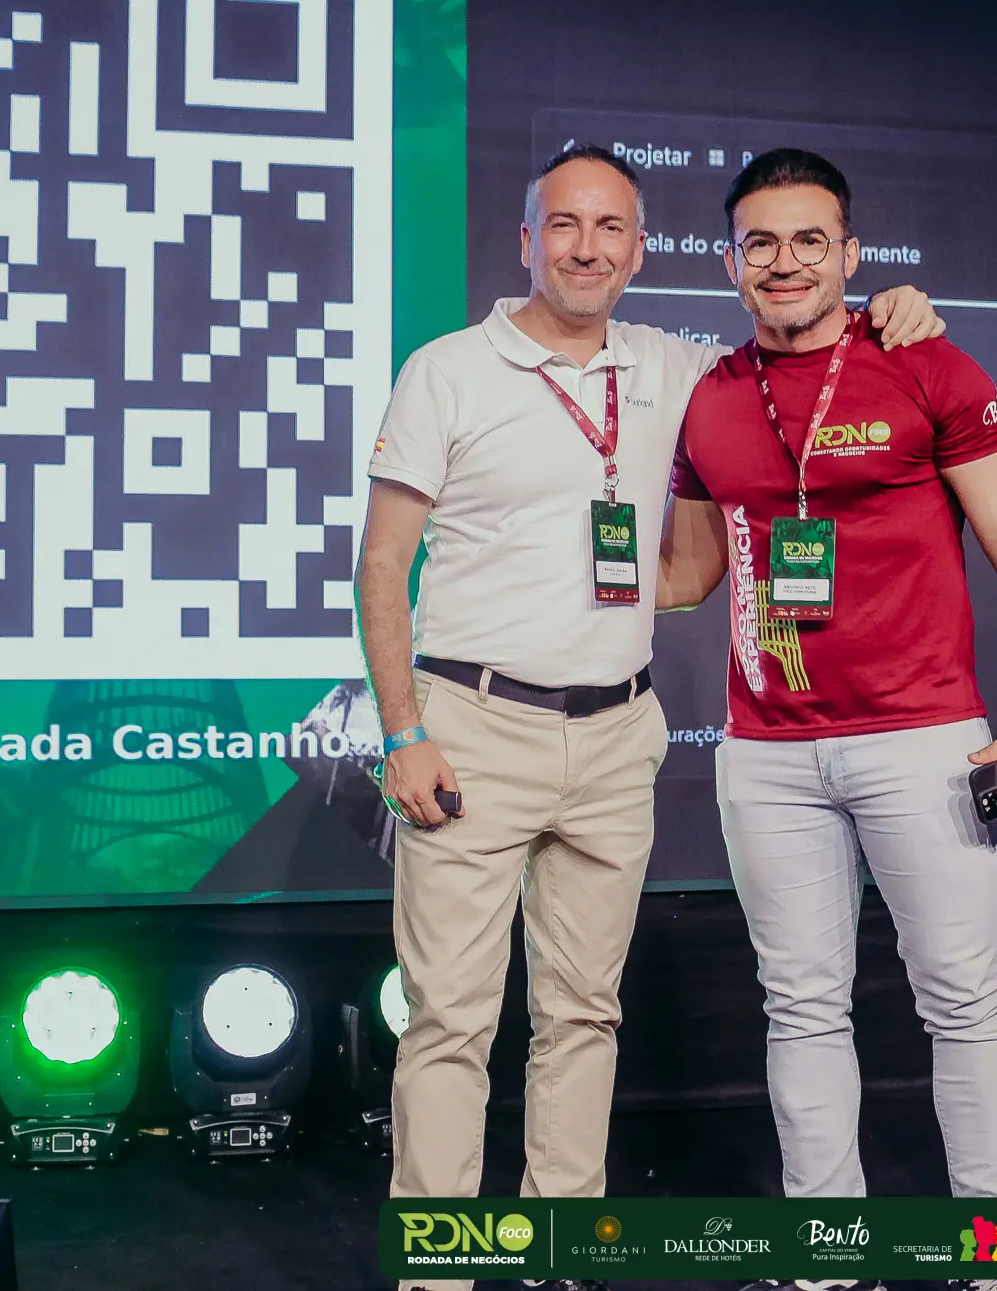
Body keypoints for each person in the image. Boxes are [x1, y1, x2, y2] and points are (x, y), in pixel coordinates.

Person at [355, 145, 945, 1291]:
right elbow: (383, 566)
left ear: (639, 248)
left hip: (617, 734)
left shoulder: (677, 370)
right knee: (450, 1023)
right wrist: (403, 733)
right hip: (471, 729)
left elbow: (802, 348)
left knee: (583, 1014)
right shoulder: (447, 371)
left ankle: (558, 1254)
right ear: (525, 241)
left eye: (610, 228)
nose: (586, 248)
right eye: (563, 225)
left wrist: (890, 313)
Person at [660, 149, 997, 1268]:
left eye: (810, 240)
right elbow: (688, 573)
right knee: (800, 1008)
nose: (785, 261)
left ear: (851, 254)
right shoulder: (710, 397)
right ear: (729, 263)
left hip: (923, 743)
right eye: (760, 242)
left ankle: (989, 1253)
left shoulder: (924, 363)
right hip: (765, 755)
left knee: (963, 1001)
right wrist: (524, 560)